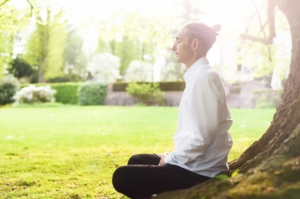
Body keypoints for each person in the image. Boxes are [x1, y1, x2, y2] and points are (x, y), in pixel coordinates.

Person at [112, 22, 233, 199]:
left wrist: (169, 160)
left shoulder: (203, 79)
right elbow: (196, 132)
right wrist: (173, 156)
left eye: (178, 40)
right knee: (136, 161)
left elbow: (202, 137)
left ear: (194, 44)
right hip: (194, 163)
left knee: (122, 177)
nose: (173, 46)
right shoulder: (197, 76)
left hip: (201, 172)